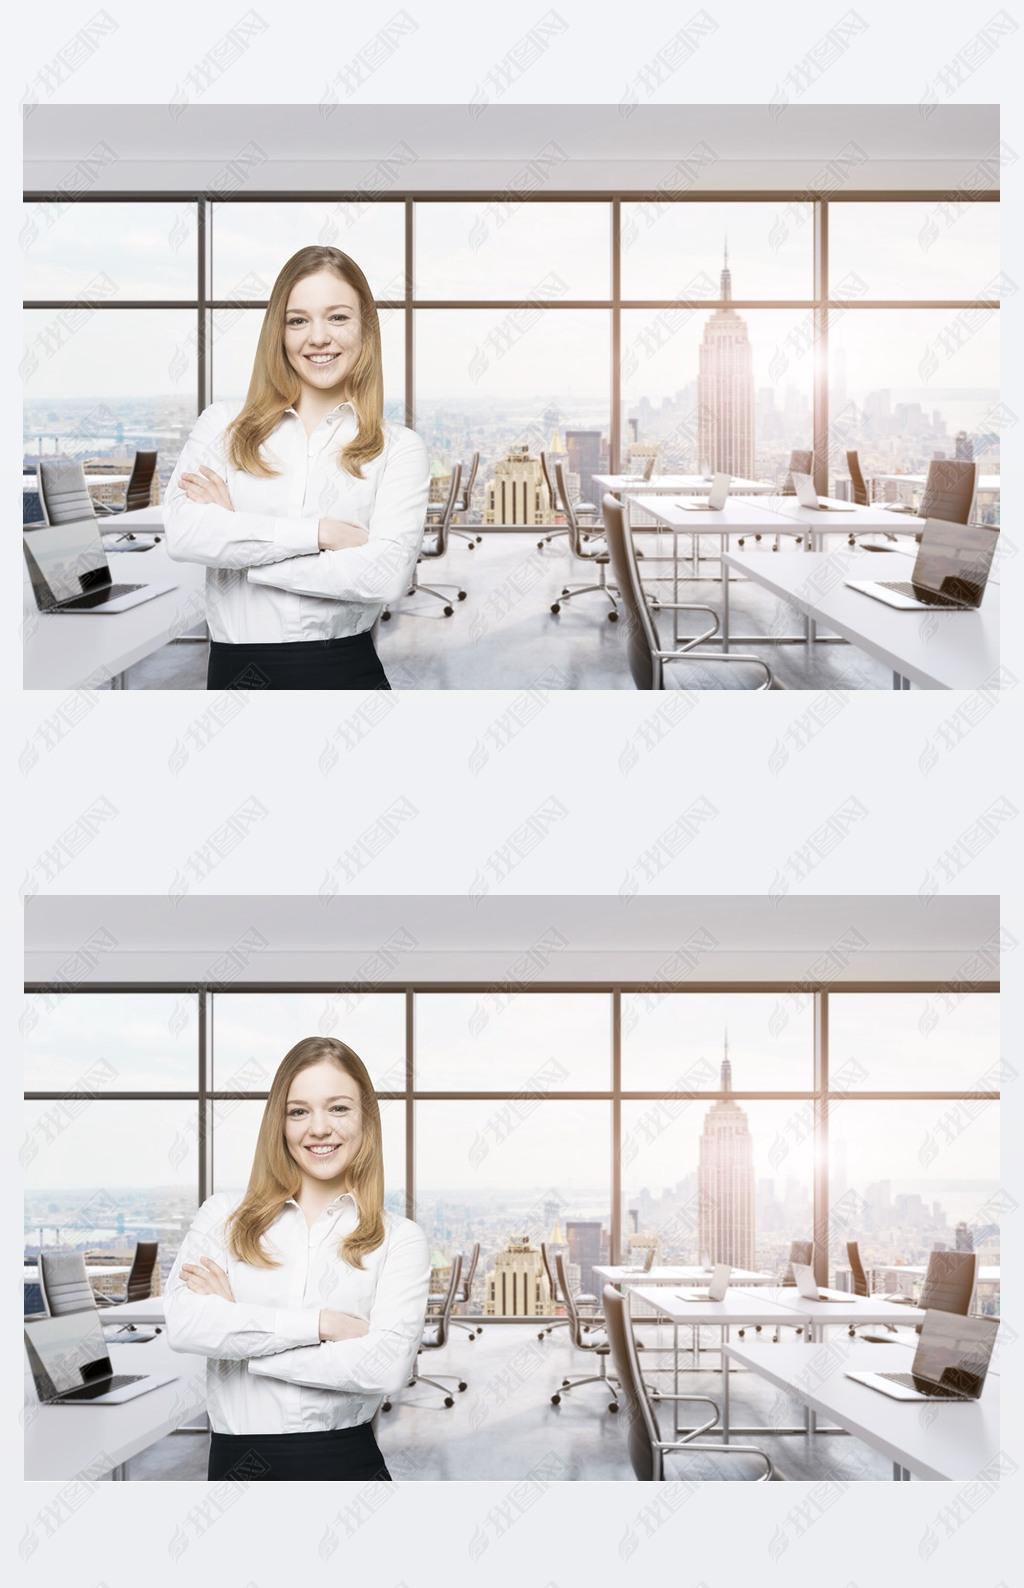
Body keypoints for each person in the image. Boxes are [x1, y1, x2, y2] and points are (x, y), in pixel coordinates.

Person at [164, 1037, 430, 1481]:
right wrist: (320, 1325)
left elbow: (386, 1366)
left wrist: (242, 1341)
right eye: (299, 1111)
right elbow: (186, 1324)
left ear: (366, 1119)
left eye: (339, 1109)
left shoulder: (399, 1239)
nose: (319, 1128)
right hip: (236, 1464)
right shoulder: (223, 1217)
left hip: (346, 1462)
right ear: (280, 1123)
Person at [163, 246, 429, 689]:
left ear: (365, 330)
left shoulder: (399, 448)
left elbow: (386, 576)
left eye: (338, 318)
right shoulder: (222, 425)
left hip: (345, 672)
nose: (318, 337)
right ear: (279, 333)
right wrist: (320, 534)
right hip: (236, 675)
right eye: (298, 320)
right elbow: (185, 533)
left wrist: (243, 553)